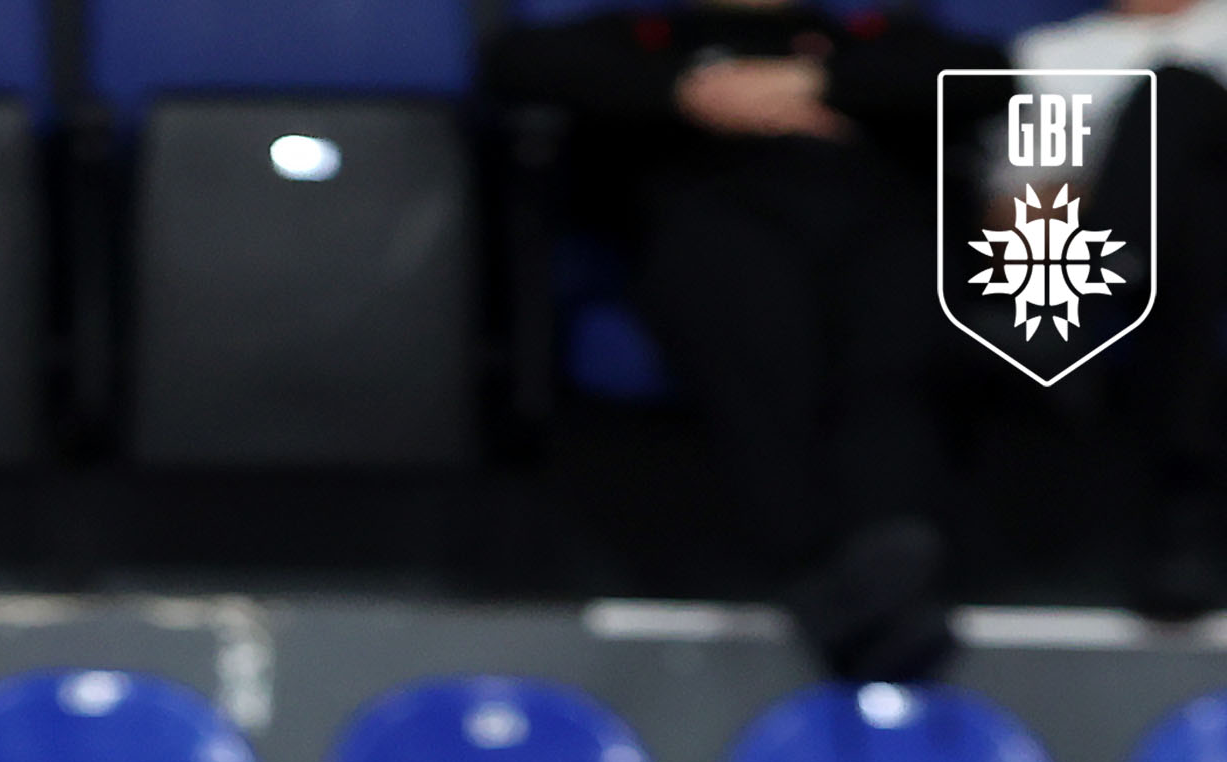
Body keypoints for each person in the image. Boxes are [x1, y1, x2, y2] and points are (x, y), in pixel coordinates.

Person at [488, 0, 1005, 680]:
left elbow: (985, 76)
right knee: (750, 311)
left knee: (900, 319)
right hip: (715, 221)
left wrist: (820, 85)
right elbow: (516, 64)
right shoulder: (649, 38)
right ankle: (834, 568)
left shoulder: (860, 40)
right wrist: (691, 94)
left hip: (867, 223)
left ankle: (877, 560)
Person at [1015, 0, 1227, 616]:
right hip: (1181, 260)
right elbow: (1015, 208)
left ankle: (1120, 265)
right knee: (1195, 222)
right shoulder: (1051, 56)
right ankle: (1130, 257)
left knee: (1177, 90)